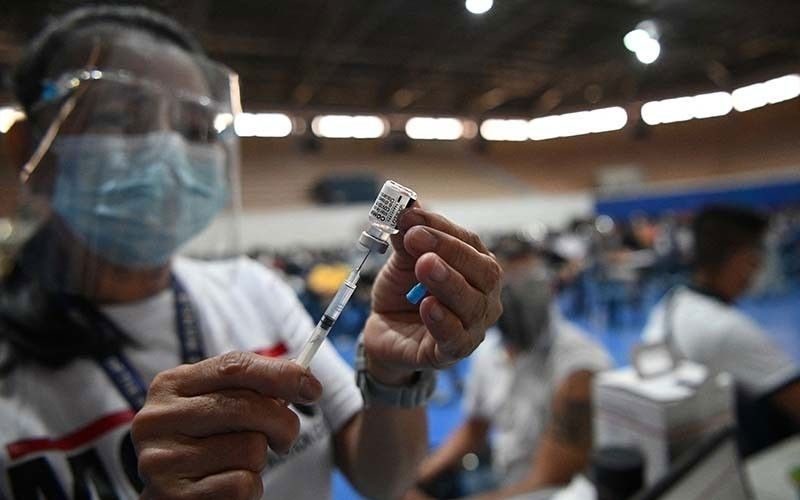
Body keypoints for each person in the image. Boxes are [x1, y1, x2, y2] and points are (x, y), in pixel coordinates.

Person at [0, 6, 503, 499]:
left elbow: (383, 480)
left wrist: (391, 374)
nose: (168, 152)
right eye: (122, 119)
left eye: (196, 130)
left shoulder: (253, 289)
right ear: (28, 147)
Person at [409, 235, 611, 499]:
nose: (521, 299)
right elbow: (475, 427)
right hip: (503, 478)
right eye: (508, 286)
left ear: (549, 287)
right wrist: (414, 480)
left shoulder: (579, 368)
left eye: (531, 283)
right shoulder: (488, 353)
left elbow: (548, 482)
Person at [642, 205, 800, 455]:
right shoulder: (727, 329)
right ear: (737, 258)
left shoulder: (669, 305)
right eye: (754, 258)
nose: (757, 269)